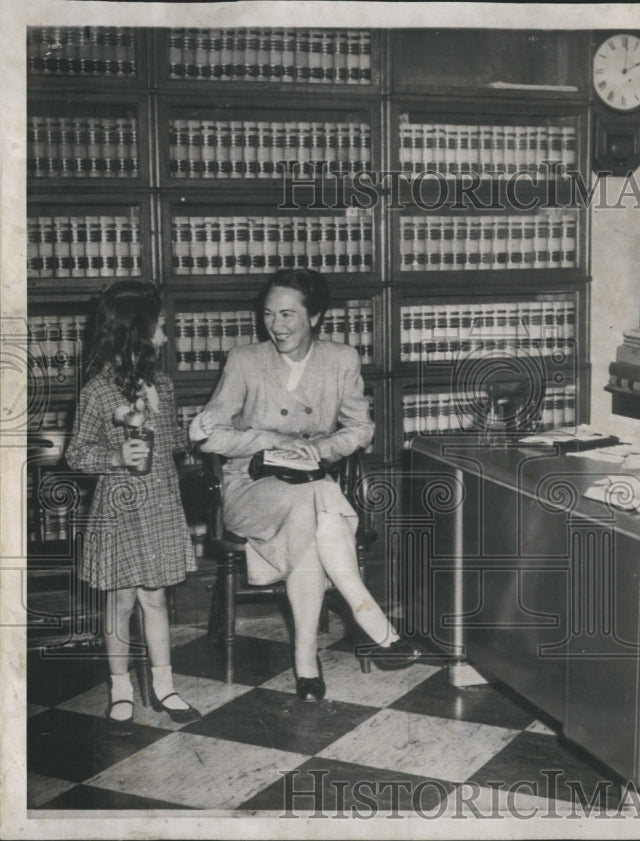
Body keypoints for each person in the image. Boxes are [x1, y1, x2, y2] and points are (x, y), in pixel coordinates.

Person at [189, 268, 420, 701]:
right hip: (253, 485)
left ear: (314, 318)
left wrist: (321, 450)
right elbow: (206, 436)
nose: (277, 326)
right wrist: (268, 439)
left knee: (312, 514)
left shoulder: (341, 359)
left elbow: (361, 430)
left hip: (311, 482)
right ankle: (373, 623)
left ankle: (306, 662)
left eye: (289, 315)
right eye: (269, 314)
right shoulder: (244, 360)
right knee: (318, 504)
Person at [65, 280, 201, 730]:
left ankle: (165, 685)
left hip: (160, 503)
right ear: (136, 331)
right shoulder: (98, 392)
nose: (166, 334)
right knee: (121, 600)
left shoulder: (161, 382)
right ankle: (120, 686)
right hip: (120, 507)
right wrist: (116, 457)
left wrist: (195, 433)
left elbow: (170, 442)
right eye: (160, 325)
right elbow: (77, 453)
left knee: (156, 598)